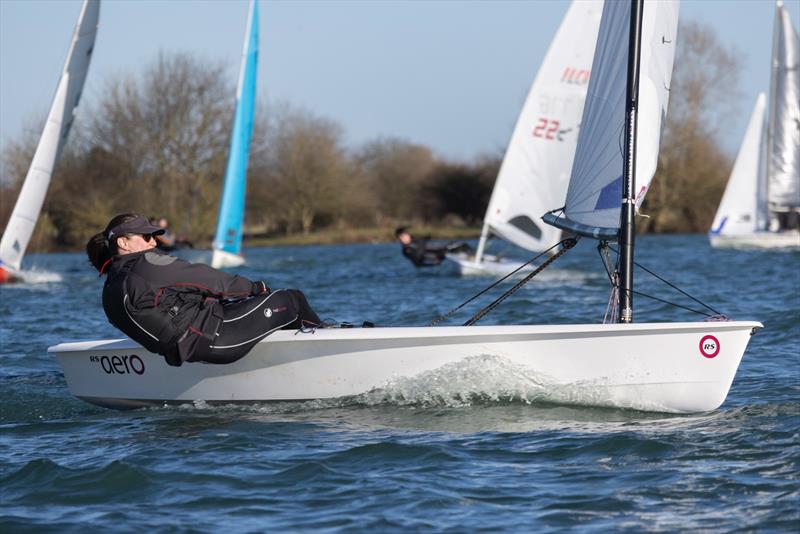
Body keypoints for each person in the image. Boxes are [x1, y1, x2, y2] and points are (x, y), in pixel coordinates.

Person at [86, 213, 322, 367]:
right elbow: (214, 281)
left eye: (155, 236)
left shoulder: (110, 287)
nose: (154, 242)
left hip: (186, 351)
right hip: (218, 338)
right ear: (122, 243)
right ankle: (321, 354)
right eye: (147, 236)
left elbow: (167, 308)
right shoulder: (149, 264)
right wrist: (255, 287)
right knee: (292, 299)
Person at [394, 227, 473, 268]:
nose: (404, 238)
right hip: (442, 257)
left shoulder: (417, 240)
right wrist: (433, 264)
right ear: (399, 239)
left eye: (405, 235)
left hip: (445, 250)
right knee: (462, 247)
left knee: (464, 246)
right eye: (401, 237)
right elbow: (418, 263)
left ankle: (474, 258)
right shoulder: (407, 250)